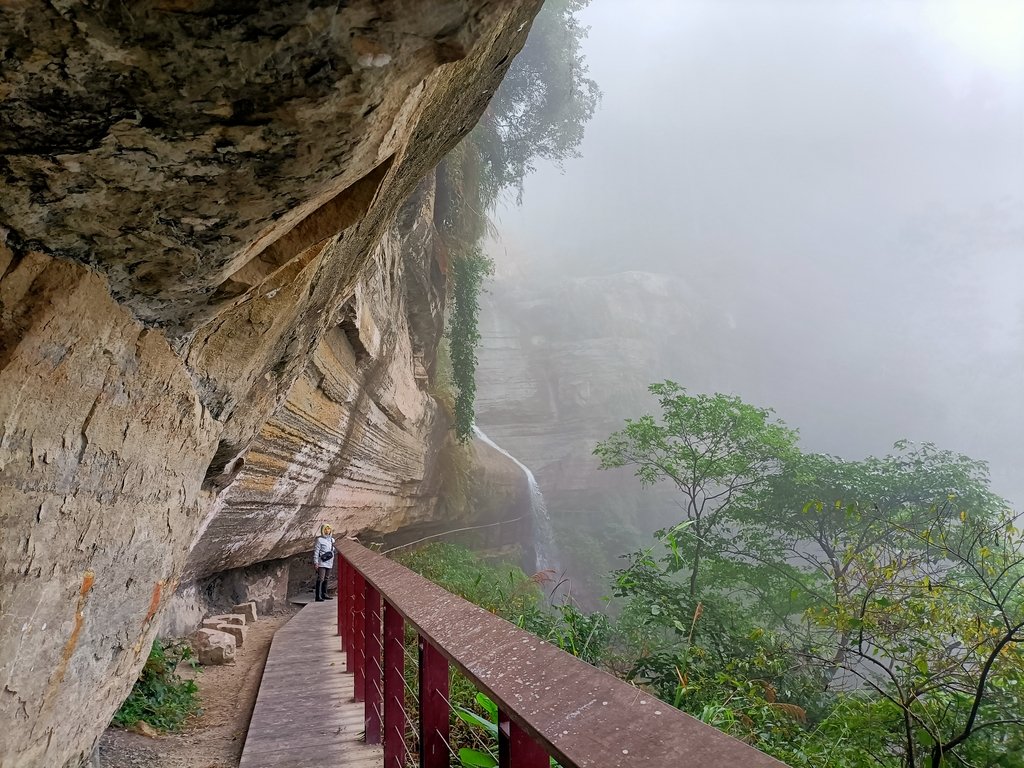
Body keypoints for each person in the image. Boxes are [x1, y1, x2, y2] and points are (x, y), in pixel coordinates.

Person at [313, 524, 336, 602]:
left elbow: (333, 550)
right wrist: (316, 562)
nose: (327, 531)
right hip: (322, 561)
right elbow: (316, 552)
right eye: (325, 529)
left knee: (327, 578)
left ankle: (324, 594)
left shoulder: (332, 540)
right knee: (321, 578)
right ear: (323, 530)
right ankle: (318, 596)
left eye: (328, 529)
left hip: (329, 561)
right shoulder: (319, 540)